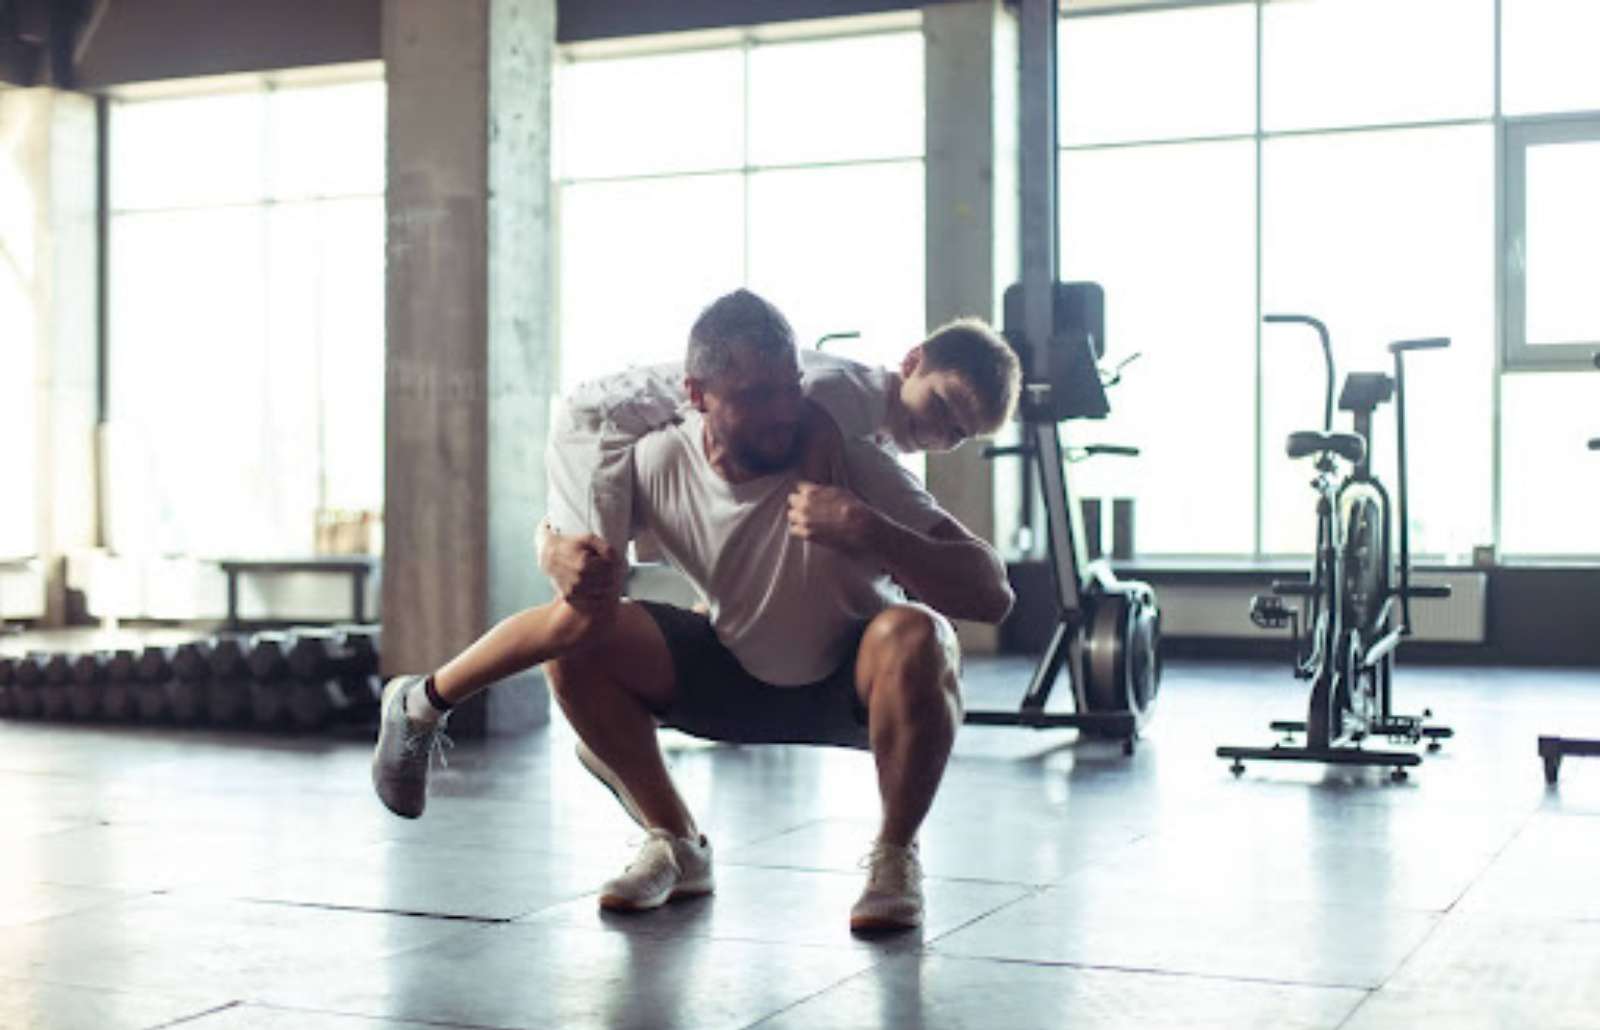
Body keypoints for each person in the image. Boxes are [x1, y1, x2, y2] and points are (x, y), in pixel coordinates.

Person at [372, 293, 1021, 826]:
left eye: (960, 434)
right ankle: (421, 702)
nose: (943, 434)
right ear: (911, 362)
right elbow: (810, 460)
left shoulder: (862, 427)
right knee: (583, 618)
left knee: (592, 605)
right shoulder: (831, 400)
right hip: (597, 425)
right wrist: (550, 544)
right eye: (942, 408)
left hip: (658, 447)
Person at [524, 289, 1015, 933]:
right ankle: (673, 842)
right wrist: (549, 547)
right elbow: (589, 535)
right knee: (574, 638)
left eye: (787, 395)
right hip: (728, 663)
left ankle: (895, 855)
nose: (779, 414)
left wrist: (871, 531)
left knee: (920, 635)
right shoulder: (665, 454)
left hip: (847, 680)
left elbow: (993, 593)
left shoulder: (857, 455)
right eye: (757, 397)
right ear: (703, 398)